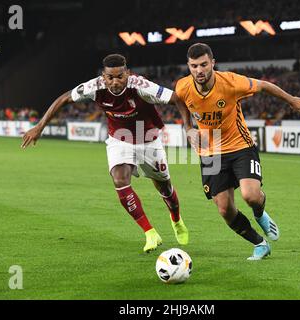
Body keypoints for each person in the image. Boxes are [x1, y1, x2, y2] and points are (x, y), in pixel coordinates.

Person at [22, 54, 189, 253]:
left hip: (148, 140)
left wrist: (188, 128)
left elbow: (176, 98)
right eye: (110, 77)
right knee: (119, 179)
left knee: (165, 188)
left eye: (120, 76)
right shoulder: (95, 87)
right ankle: (150, 232)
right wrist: (39, 127)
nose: (115, 82)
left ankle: (176, 219)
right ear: (104, 75)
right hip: (119, 139)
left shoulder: (141, 86)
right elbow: (64, 98)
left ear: (127, 73)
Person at [174, 43, 300, 260]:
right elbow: (179, 100)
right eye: (194, 66)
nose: (199, 70)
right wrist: (189, 128)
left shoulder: (230, 82)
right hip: (211, 151)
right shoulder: (183, 86)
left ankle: (260, 214)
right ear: (189, 66)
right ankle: (259, 243)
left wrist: (292, 100)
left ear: (212, 63)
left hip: (240, 145)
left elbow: (264, 85)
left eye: (203, 65)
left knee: (251, 196)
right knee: (225, 209)